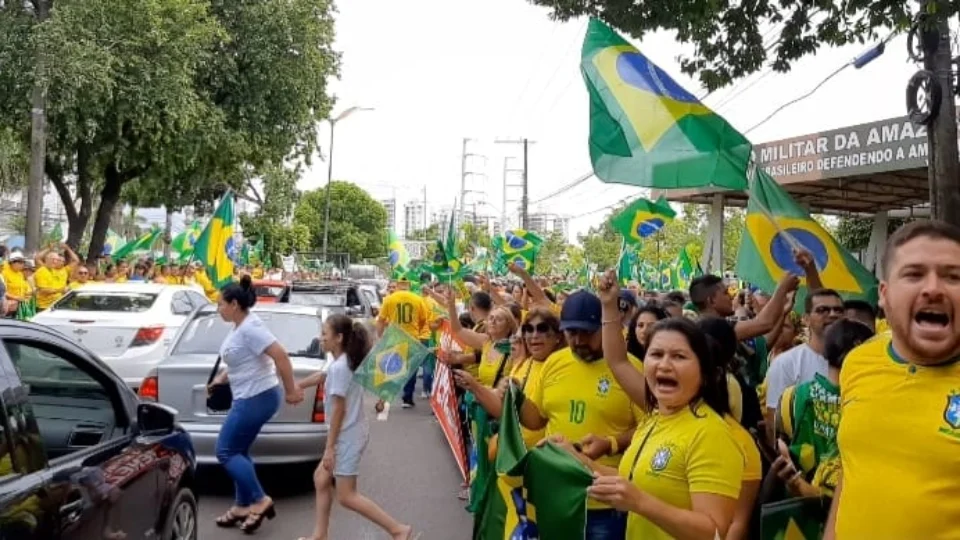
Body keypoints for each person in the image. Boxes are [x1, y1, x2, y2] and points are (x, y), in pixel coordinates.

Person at [555, 271, 743, 540]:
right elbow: (617, 361)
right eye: (656, 354)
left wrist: (641, 503)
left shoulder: (711, 434)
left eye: (678, 356)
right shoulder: (655, 419)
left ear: (703, 371)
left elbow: (712, 531)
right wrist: (575, 458)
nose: (664, 364)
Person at [826, 221, 960, 539]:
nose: (933, 289)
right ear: (884, 295)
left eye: (953, 276)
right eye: (913, 274)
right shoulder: (857, 364)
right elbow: (854, 469)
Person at [517, 289, 644, 539]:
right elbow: (536, 420)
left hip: (604, 503)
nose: (578, 341)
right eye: (571, 333)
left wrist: (611, 444)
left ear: (604, 328)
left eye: (587, 332)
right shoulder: (555, 363)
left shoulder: (630, 370)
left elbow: (651, 429)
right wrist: (516, 398)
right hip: (556, 496)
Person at [295, 314, 414, 540]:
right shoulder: (342, 362)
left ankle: (398, 530)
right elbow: (323, 375)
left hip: (347, 436)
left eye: (324, 334)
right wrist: (297, 385)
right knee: (321, 479)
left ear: (339, 337)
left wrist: (330, 448)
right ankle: (319, 535)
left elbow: (339, 409)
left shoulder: (341, 366)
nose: (320, 338)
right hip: (348, 433)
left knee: (347, 496)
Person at [209, 275, 304, 534]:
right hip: (249, 394)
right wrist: (222, 376)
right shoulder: (241, 326)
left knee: (225, 451)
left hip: (257, 397)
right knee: (239, 450)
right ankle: (241, 505)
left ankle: (260, 500)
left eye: (221, 304)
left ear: (235, 305)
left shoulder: (251, 327)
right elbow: (242, 358)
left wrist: (292, 390)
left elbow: (281, 356)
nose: (218, 308)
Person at [774, 319, 874, 499]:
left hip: (797, 512)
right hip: (849, 507)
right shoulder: (868, 405)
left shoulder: (792, 396)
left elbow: (781, 446)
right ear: (860, 352)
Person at [763, 289, 843, 445]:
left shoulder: (856, 361)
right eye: (822, 310)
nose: (833, 314)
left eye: (838, 310)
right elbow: (774, 425)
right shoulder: (786, 363)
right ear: (806, 319)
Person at [376, 278, 429, 408]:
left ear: (398, 285)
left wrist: (380, 336)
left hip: (394, 338)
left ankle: (383, 397)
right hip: (412, 339)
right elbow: (423, 320)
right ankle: (407, 398)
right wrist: (418, 330)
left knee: (390, 369)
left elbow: (381, 320)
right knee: (410, 370)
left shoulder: (390, 299)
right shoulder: (417, 299)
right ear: (409, 285)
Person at [34, 243, 79, 311]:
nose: (59, 262)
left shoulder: (65, 270)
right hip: (44, 306)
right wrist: (49, 249)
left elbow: (76, 260)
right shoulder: (45, 269)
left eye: (62, 261)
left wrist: (68, 248)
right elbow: (37, 258)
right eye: (57, 260)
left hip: (58, 304)